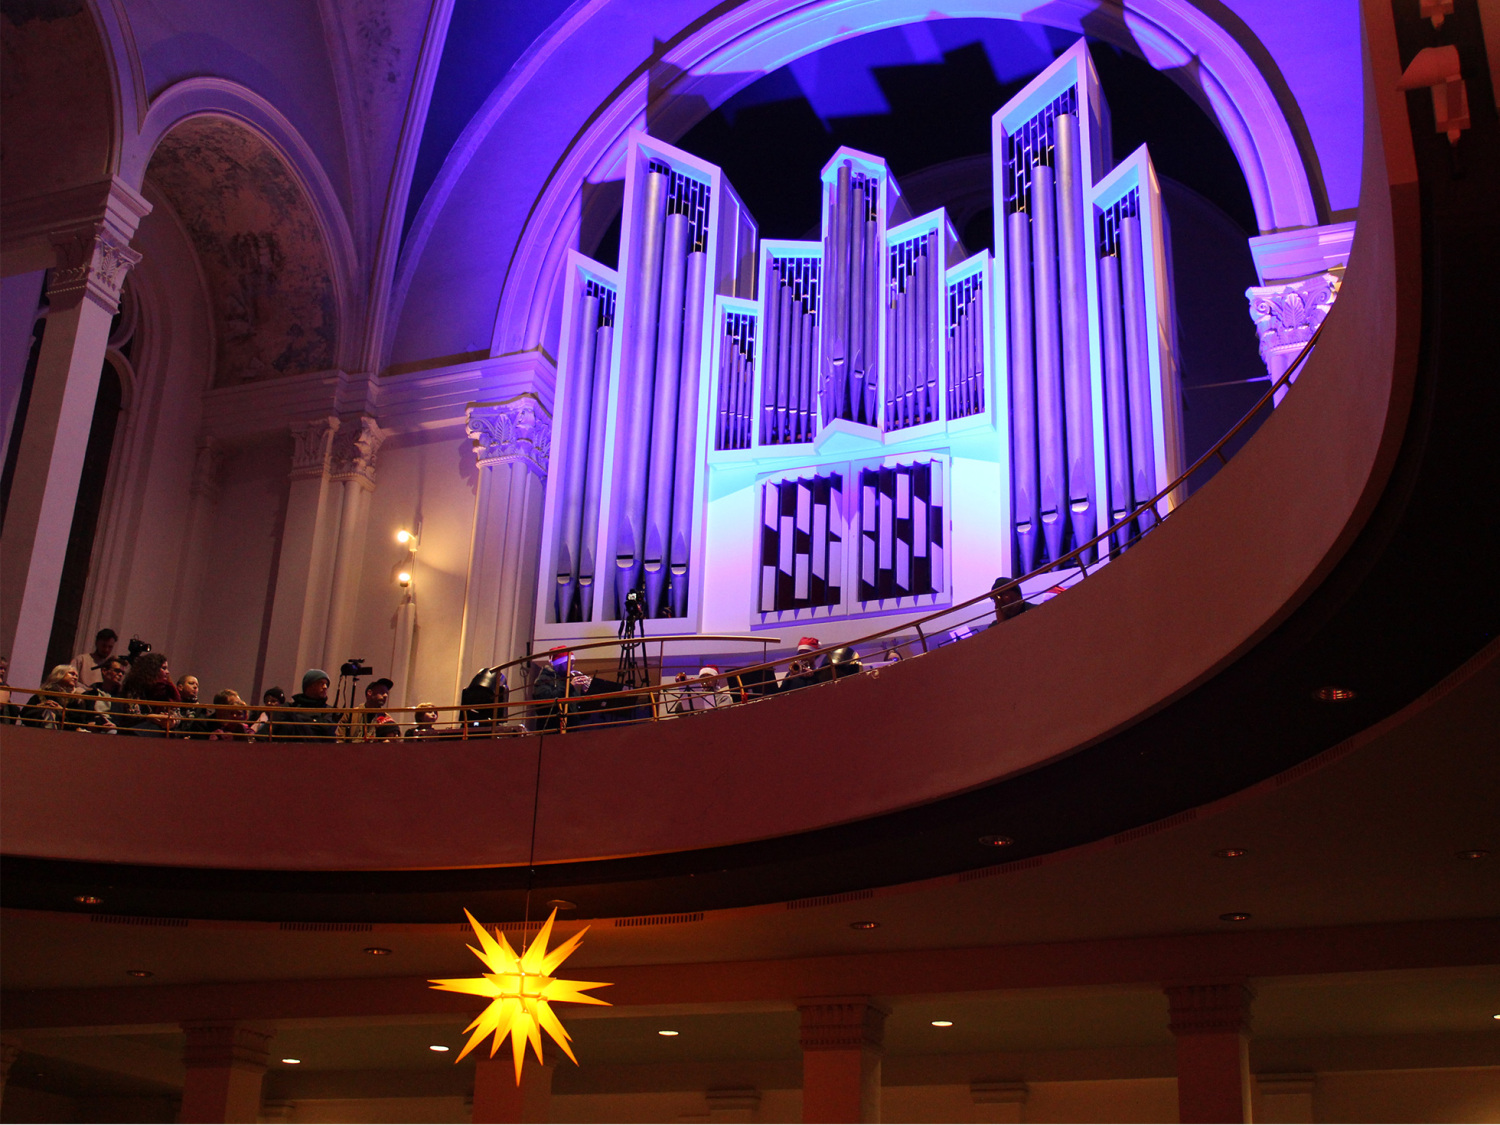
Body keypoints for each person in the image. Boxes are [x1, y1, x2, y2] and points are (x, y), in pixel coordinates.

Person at [117, 652, 180, 736]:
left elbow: (177, 712)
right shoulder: (134, 686)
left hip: (162, 728)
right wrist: (150, 717)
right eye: (163, 668)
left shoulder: (168, 688)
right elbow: (132, 714)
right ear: (152, 670)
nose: (167, 672)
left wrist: (172, 721)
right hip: (138, 727)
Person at [278, 670, 339, 742]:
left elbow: (325, 729)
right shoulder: (291, 706)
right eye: (321, 683)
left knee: (290, 718)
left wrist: (297, 719)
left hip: (317, 748)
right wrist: (313, 721)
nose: (325, 687)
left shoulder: (329, 710)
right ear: (309, 686)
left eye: (326, 684)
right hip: (291, 746)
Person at [20, 665, 89, 729]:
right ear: (59, 674)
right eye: (72, 674)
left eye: (76, 676)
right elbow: (24, 714)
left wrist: (62, 710)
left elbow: (79, 721)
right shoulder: (42, 694)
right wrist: (40, 707)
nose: (75, 678)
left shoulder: (76, 699)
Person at [81, 656, 130, 732]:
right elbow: (78, 717)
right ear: (104, 671)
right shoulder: (89, 694)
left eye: (122, 673)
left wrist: (116, 726)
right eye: (117, 671)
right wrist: (88, 724)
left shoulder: (123, 697)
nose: (120, 674)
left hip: (114, 733)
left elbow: (127, 721)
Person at [665, 666, 734, 715]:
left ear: (716, 681)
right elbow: (679, 713)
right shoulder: (697, 696)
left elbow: (722, 716)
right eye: (702, 678)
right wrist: (688, 695)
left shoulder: (723, 697)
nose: (705, 680)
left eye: (709, 678)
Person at [0, 655, 17, 723]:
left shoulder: (5, 686)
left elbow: (1, 704)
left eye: (5, 669)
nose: (3, 671)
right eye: (0, 668)